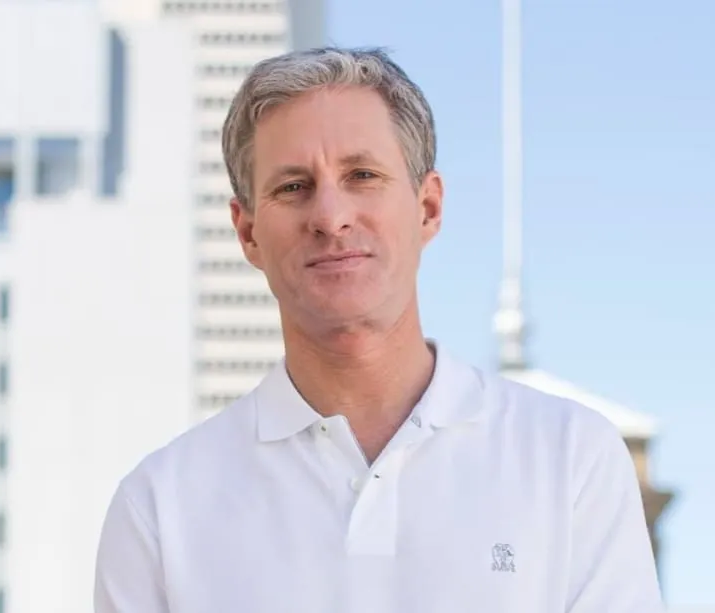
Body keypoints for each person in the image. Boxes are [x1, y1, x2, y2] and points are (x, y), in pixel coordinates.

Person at [94, 46, 664, 612]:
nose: (331, 217)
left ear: (428, 208)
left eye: (362, 175)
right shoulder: (159, 508)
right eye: (293, 187)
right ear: (247, 234)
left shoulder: (572, 460)